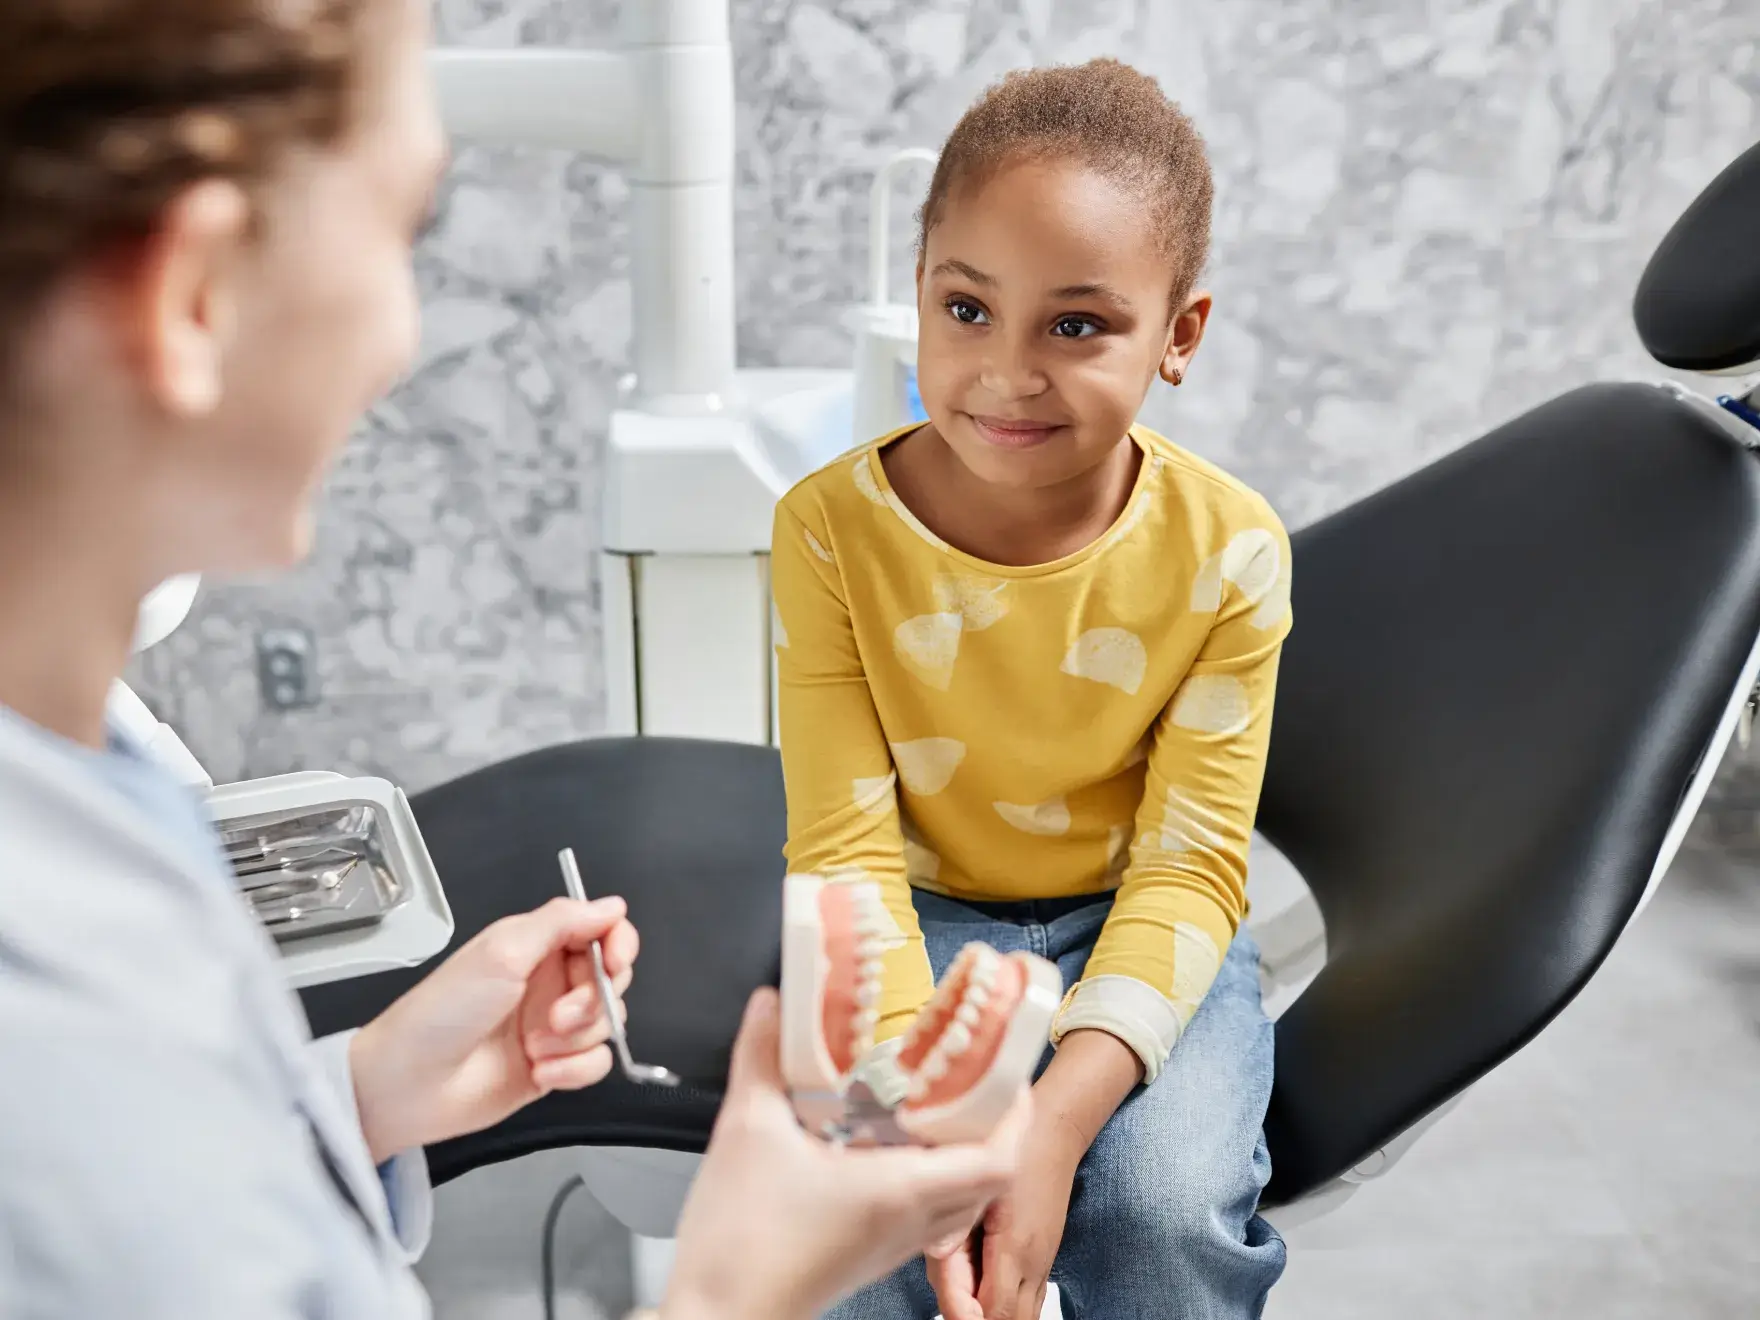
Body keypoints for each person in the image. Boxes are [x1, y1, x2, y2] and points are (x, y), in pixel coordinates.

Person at [0, 2, 1027, 1318]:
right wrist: (739, 1289)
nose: (404, 331)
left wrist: (355, 1093)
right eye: (401, 227)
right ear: (194, 295)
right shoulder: (53, 1033)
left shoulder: (97, 782)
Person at [770, 59, 1292, 1320]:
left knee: (1156, 1210)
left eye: (1074, 324)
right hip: (908, 912)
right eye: (965, 309)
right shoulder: (827, 531)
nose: (1005, 373)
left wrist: (1051, 1125)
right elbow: (845, 851)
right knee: (862, 1203)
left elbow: (1189, 867)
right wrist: (934, 1119)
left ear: (1178, 335)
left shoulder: (1229, 551)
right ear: (918, 296)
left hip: (1140, 920)